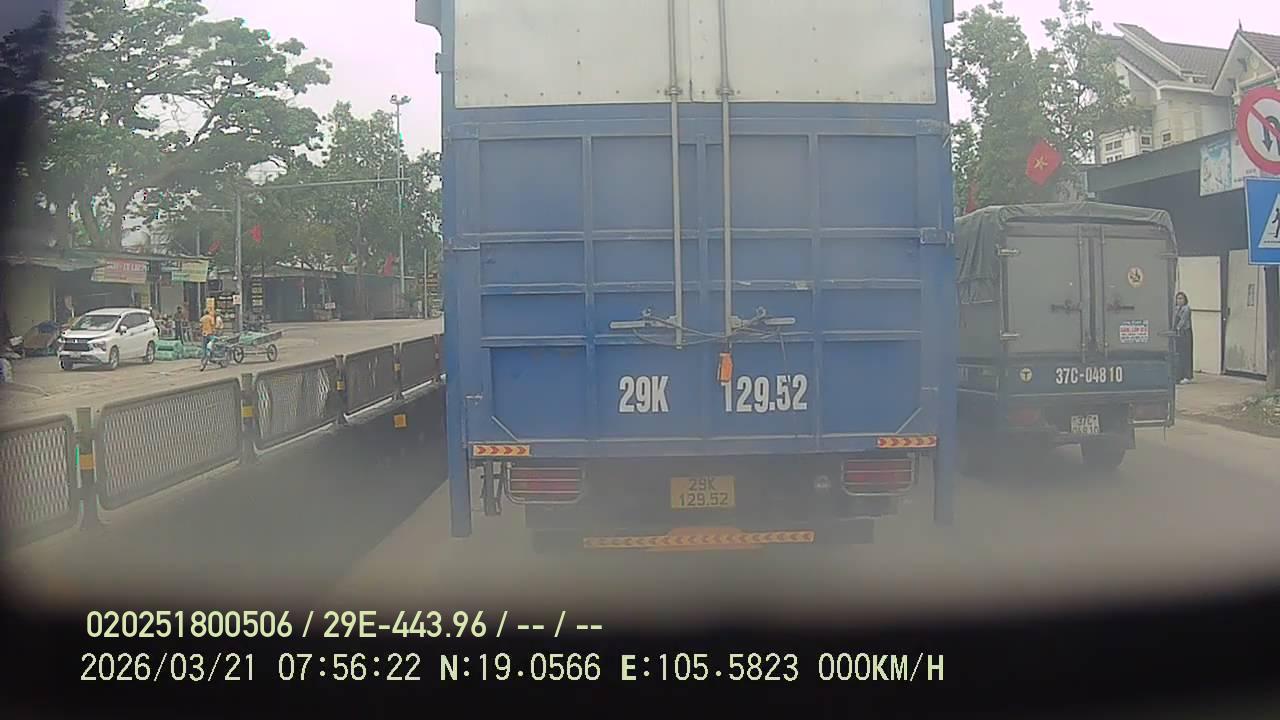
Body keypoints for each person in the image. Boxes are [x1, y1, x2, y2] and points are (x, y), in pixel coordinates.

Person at [1174, 291, 1194, 385]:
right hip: (1178, 334)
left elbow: (1183, 321)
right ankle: (1180, 375)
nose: (1179, 300)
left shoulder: (1186, 309)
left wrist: (1177, 328)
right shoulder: (1176, 309)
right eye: (1178, 298)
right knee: (1179, 354)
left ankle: (1187, 375)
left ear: (1185, 300)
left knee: (1186, 353)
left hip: (1185, 333)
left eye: (1181, 298)